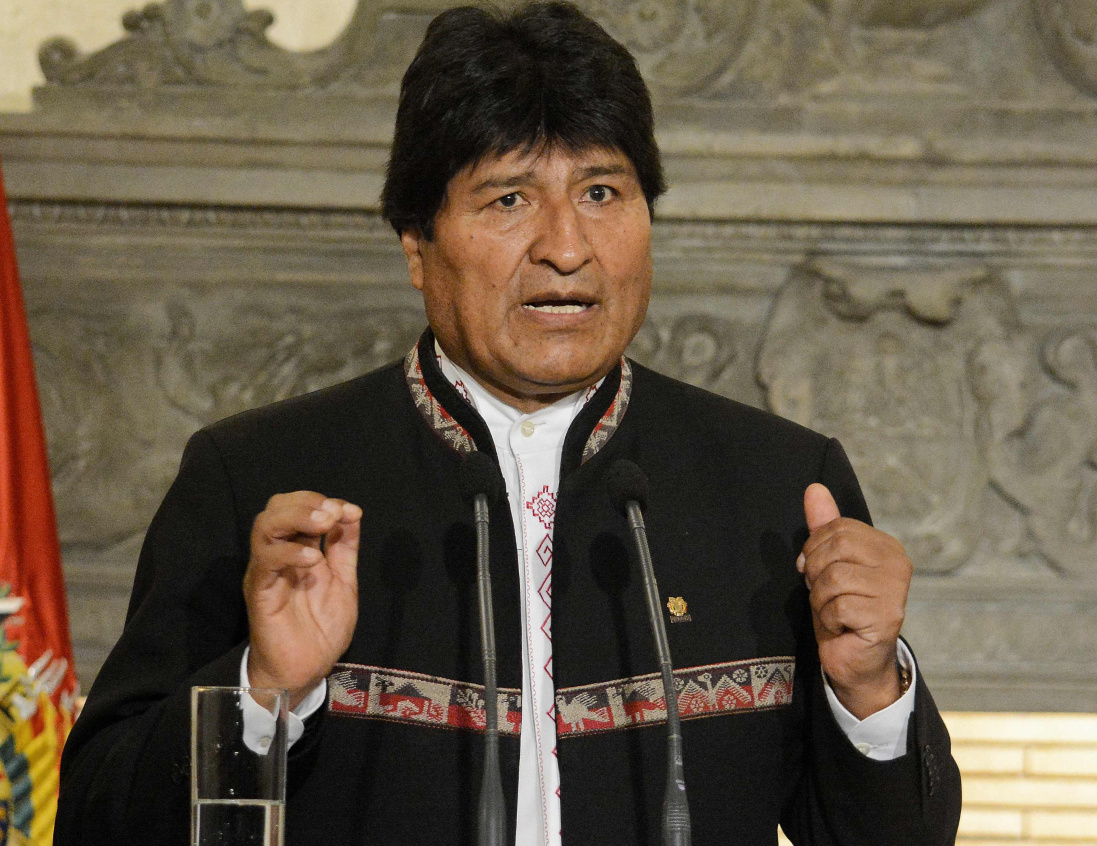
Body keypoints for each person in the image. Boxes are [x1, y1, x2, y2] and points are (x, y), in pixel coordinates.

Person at [55, 3, 961, 845]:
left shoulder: (781, 484)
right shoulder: (261, 481)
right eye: (509, 199)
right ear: (417, 245)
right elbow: (96, 819)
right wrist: (262, 692)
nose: (566, 247)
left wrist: (869, 688)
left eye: (601, 193)